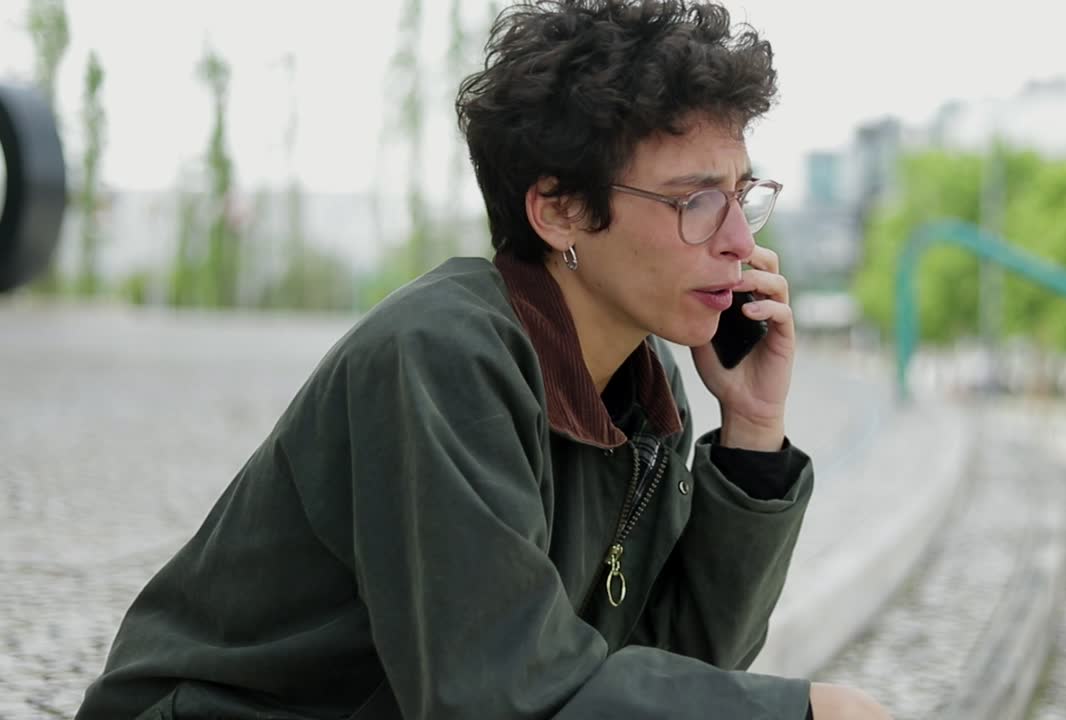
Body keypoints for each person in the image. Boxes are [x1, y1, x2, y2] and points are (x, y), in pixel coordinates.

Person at [77, 1, 890, 718]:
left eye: (744, 194)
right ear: (561, 210)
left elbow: (674, 671)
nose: (742, 241)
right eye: (696, 200)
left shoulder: (642, 387)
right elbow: (499, 696)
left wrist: (752, 431)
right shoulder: (441, 354)